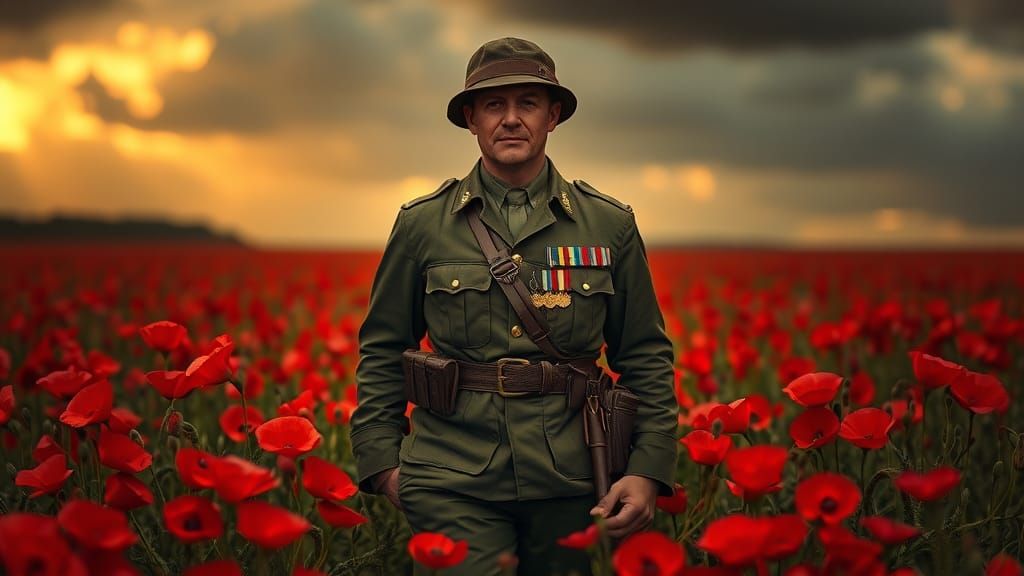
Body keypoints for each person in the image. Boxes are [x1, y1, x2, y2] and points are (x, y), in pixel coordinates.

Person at [350, 37, 678, 575]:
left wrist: (647, 470)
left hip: (577, 476)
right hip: (452, 476)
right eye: (494, 105)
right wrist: (384, 463)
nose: (510, 119)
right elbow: (385, 347)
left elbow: (644, 355)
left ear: (553, 117)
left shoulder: (608, 225)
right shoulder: (422, 226)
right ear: (471, 120)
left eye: (527, 103)